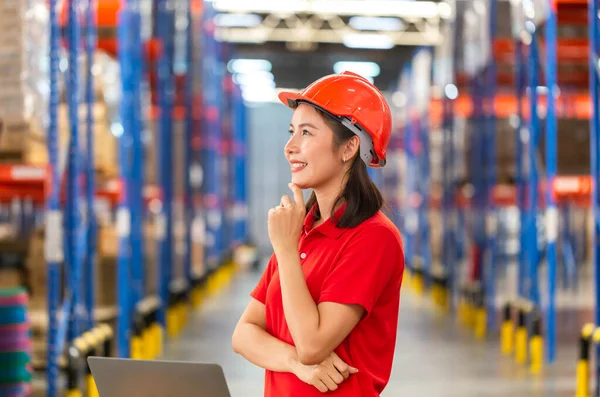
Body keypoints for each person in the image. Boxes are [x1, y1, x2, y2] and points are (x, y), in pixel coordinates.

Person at [232, 71, 405, 396]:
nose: (289, 147)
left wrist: (284, 249)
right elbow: (243, 334)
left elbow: (312, 343)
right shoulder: (301, 229)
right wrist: (294, 363)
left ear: (349, 147)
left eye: (306, 133)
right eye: (291, 132)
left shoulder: (373, 238)